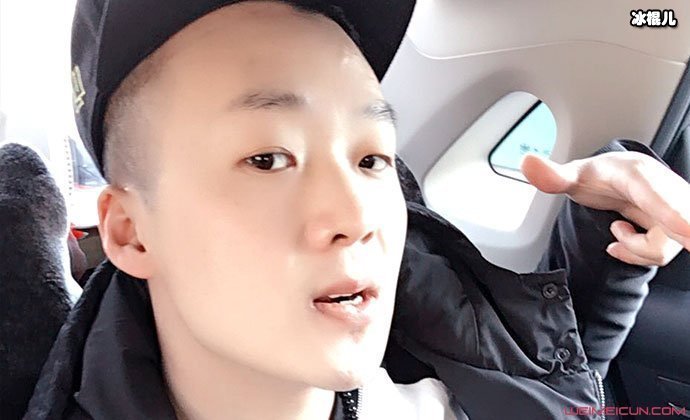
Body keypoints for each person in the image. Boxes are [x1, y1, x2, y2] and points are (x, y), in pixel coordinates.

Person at [24, 0, 690, 419]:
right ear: (131, 232)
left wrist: (610, 236)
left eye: (372, 159)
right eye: (268, 159)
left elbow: (554, 390)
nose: (358, 215)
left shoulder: (435, 393)